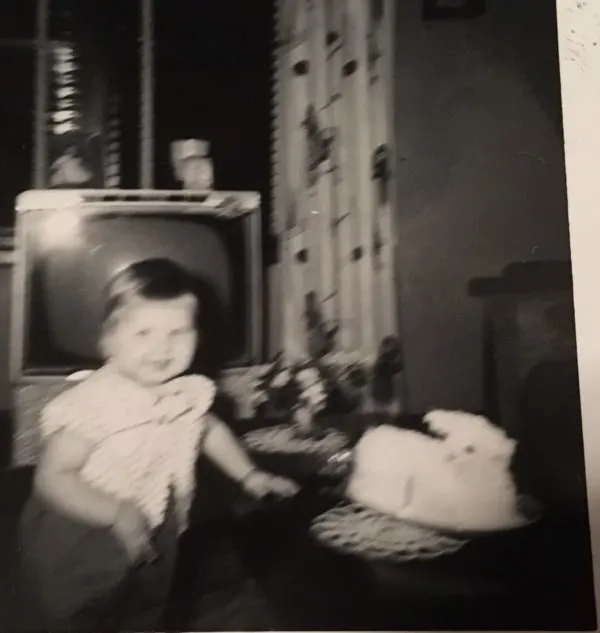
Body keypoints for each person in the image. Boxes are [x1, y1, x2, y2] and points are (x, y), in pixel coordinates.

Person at [18, 258, 299, 632]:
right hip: (82, 534)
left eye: (178, 333)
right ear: (109, 340)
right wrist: (115, 512)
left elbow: (208, 430)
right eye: (143, 333)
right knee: (79, 613)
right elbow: (51, 479)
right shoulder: (92, 404)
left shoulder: (187, 391)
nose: (162, 348)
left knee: (146, 609)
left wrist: (249, 474)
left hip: (156, 524)